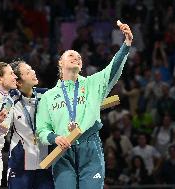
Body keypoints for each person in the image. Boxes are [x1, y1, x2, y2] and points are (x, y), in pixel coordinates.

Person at [36, 21, 133, 189]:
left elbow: (113, 69)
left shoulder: (92, 85)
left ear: (81, 66)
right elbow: (41, 130)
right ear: (60, 63)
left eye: (79, 58)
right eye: (71, 55)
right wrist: (54, 138)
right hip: (63, 151)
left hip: (90, 146)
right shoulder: (48, 97)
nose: (76, 57)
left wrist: (126, 44)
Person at [7, 60, 54, 189]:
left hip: (45, 160)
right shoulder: (10, 100)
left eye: (32, 69)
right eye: (27, 72)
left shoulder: (46, 95)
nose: (33, 72)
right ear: (18, 82)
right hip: (20, 161)